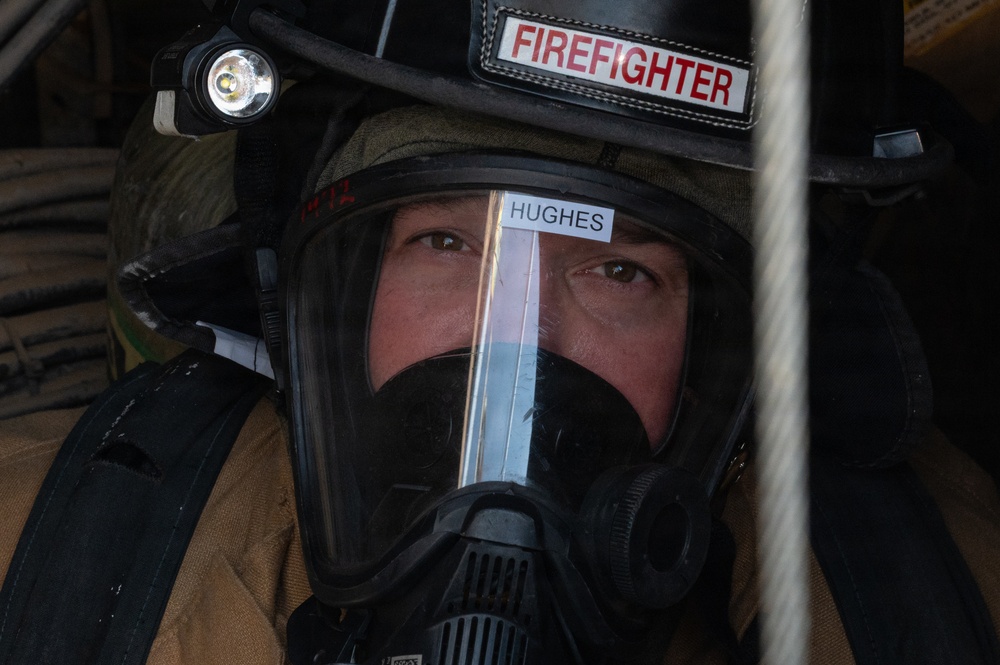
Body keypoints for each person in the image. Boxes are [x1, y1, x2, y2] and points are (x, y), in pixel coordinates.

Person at [2, 0, 1000, 663]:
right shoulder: (39, 558)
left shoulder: (930, 603)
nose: (517, 347)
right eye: (445, 241)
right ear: (323, 305)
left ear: (721, 353)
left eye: (620, 270)